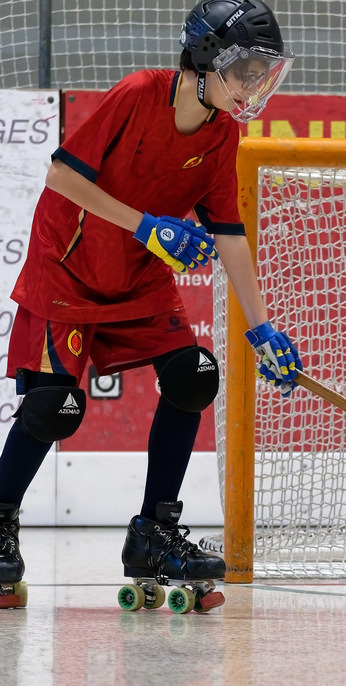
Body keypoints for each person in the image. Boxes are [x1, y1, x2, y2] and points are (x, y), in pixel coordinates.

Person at [0, 0, 301, 612]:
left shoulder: (225, 134)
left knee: (194, 376)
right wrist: (145, 226)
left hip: (139, 276)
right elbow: (62, 177)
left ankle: (152, 534)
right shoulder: (139, 93)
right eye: (245, 68)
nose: (252, 84)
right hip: (70, 267)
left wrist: (263, 326)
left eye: (259, 71)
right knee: (55, 407)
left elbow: (229, 233)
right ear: (205, 58)